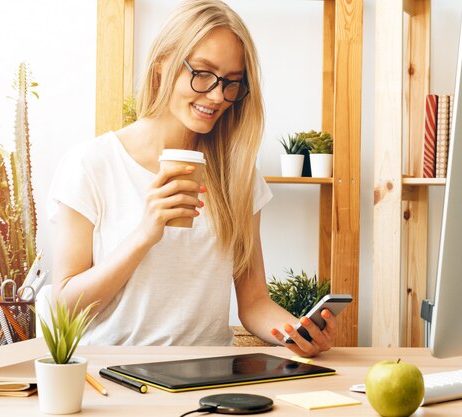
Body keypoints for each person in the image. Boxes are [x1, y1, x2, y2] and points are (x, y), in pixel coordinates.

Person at [48, 0, 337, 357]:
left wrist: (297, 334)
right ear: (162, 64)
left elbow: (255, 303)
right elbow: (64, 307)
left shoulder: (238, 175)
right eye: (202, 73)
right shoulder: (92, 164)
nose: (217, 96)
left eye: (232, 82)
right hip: (113, 374)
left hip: (207, 375)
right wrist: (144, 234)